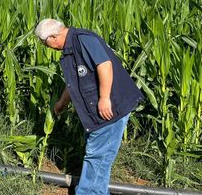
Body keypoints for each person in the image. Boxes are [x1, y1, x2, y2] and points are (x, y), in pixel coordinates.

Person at [35, 18, 144, 194]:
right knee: (98, 157)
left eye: (44, 42)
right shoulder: (71, 49)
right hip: (98, 111)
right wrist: (63, 101)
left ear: (53, 37)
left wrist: (104, 98)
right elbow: (76, 80)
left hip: (111, 108)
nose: (45, 46)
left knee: (97, 157)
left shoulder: (83, 39)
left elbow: (105, 65)